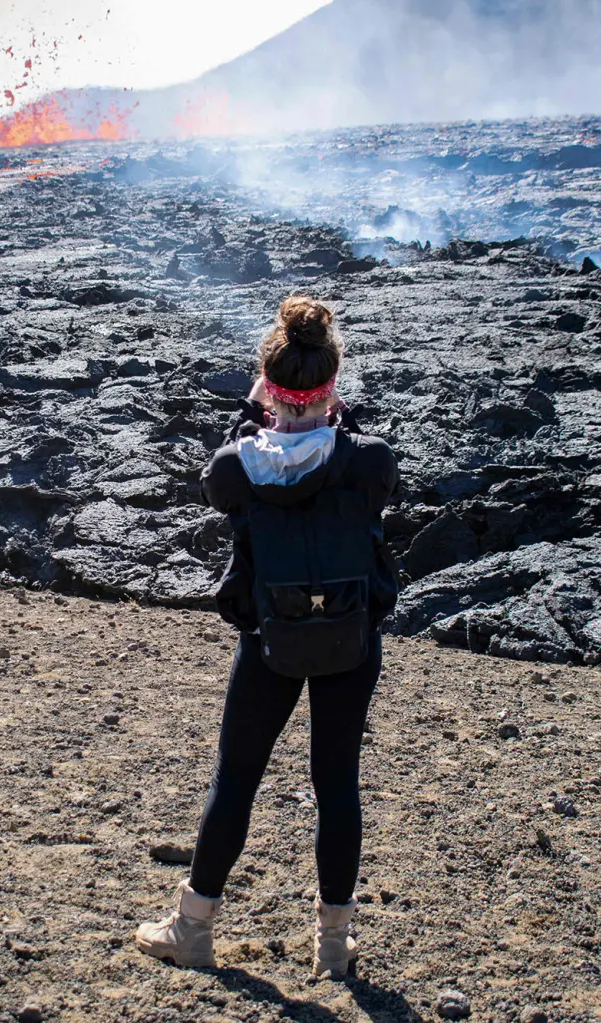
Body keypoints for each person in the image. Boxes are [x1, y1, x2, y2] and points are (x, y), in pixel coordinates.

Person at [135, 296, 399, 980]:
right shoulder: (370, 458)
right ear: (332, 383)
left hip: (269, 640)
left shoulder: (234, 469)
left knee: (237, 779)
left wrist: (254, 415)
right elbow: (356, 464)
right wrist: (332, 415)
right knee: (336, 783)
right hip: (350, 639)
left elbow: (229, 464)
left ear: (267, 387)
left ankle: (191, 930)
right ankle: (334, 947)